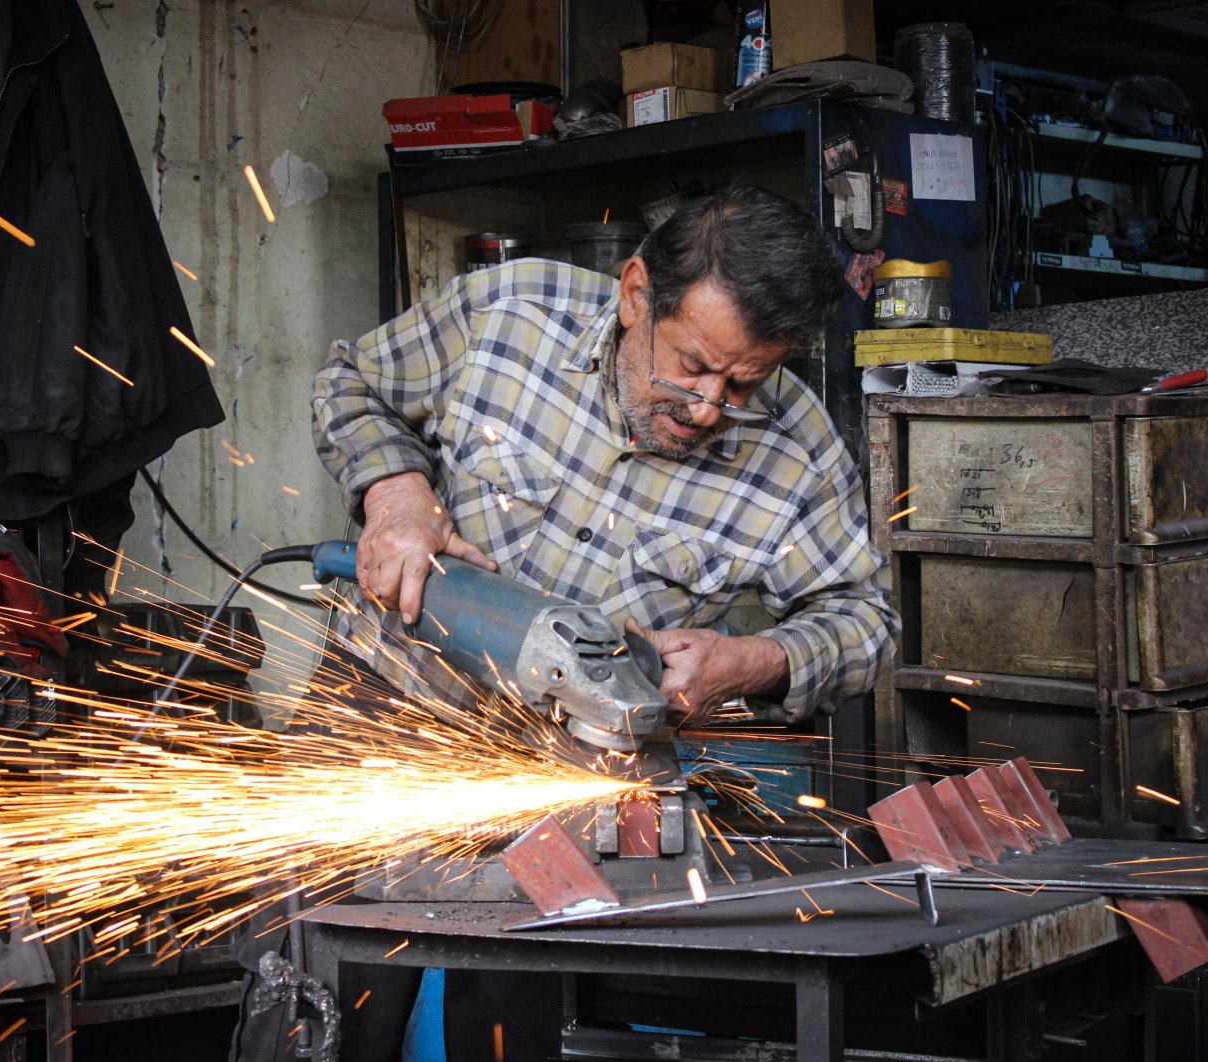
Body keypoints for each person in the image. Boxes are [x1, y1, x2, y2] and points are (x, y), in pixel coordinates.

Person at [232, 179, 897, 1061]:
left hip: (565, 772)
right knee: (313, 1003)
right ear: (634, 296)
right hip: (383, 706)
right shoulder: (511, 311)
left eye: (744, 382)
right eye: (691, 367)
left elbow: (867, 621)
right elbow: (354, 381)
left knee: (502, 1035)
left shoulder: (798, 449)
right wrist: (396, 495)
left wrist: (753, 661)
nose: (707, 408)